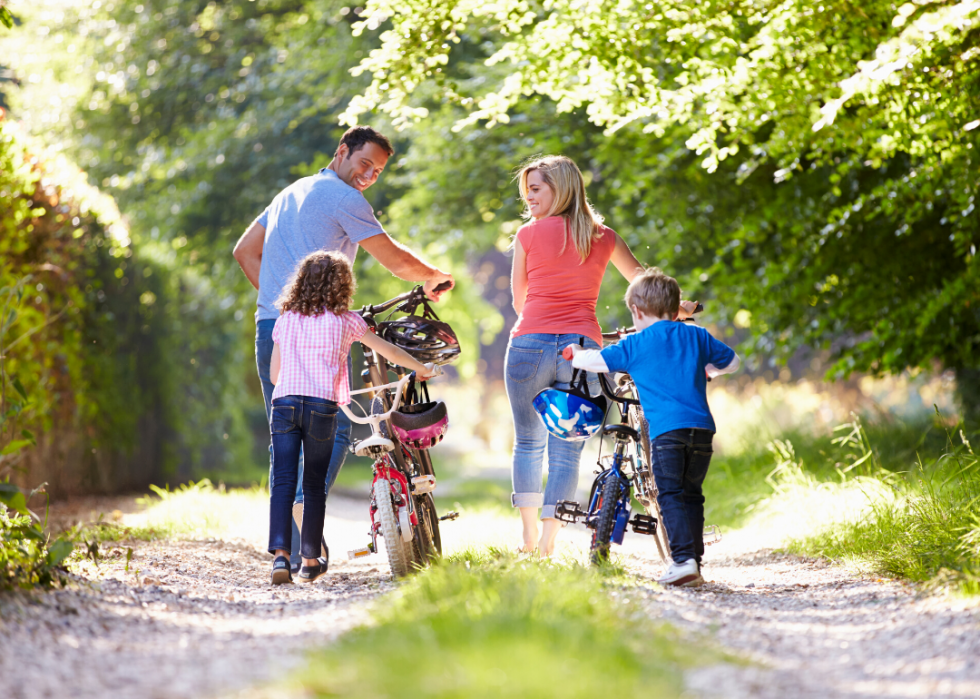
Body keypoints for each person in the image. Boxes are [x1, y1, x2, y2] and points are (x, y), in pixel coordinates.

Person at [233, 126, 454, 572]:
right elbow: (393, 260)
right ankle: (302, 510)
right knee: (329, 428)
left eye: (377, 172)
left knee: (285, 433)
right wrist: (433, 275)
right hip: (321, 332)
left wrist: (288, 305)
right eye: (364, 164)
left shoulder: (290, 192)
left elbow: (244, 252)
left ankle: (294, 553)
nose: (368, 176)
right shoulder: (344, 198)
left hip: (272, 327)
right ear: (341, 152)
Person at [506, 154, 652, 557]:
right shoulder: (603, 236)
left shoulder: (527, 235)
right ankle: (549, 542)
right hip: (582, 350)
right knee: (568, 445)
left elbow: (520, 301)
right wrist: (680, 307)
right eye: (527, 191)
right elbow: (643, 285)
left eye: (536, 189)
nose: (529, 198)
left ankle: (528, 538)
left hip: (528, 345)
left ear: (561, 188)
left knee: (528, 443)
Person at [268, 250, 439, 584]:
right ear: (343, 285)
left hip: (285, 404)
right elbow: (388, 351)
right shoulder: (346, 321)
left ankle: (279, 559)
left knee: (283, 481)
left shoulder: (285, 318)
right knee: (313, 485)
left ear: (300, 282)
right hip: (321, 406)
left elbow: (275, 374)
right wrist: (421, 369)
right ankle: (310, 559)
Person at [566, 268, 739, 586]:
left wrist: (576, 355)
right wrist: (707, 372)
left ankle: (683, 560)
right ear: (676, 311)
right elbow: (732, 361)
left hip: (666, 433)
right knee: (691, 494)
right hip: (702, 430)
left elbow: (598, 361)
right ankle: (693, 560)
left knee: (670, 494)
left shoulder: (637, 343)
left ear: (636, 311)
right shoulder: (696, 335)